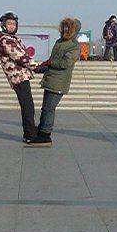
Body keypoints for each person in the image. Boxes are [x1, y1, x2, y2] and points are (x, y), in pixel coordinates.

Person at [30, 17, 82, 147]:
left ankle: (45, 135)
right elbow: (52, 60)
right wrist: (42, 67)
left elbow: (65, 63)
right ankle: (41, 129)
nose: (65, 29)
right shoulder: (59, 41)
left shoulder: (74, 46)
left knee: (49, 108)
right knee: (45, 107)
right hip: (51, 78)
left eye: (68, 27)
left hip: (59, 81)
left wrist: (50, 62)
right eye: (64, 27)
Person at [0, 12, 38, 143]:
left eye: (14, 24)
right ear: (4, 25)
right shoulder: (6, 40)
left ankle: (30, 132)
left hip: (20, 75)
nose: (12, 26)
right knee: (27, 106)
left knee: (28, 105)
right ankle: (30, 135)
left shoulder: (12, 38)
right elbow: (19, 56)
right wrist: (36, 67)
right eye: (9, 24)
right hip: (17, 76)